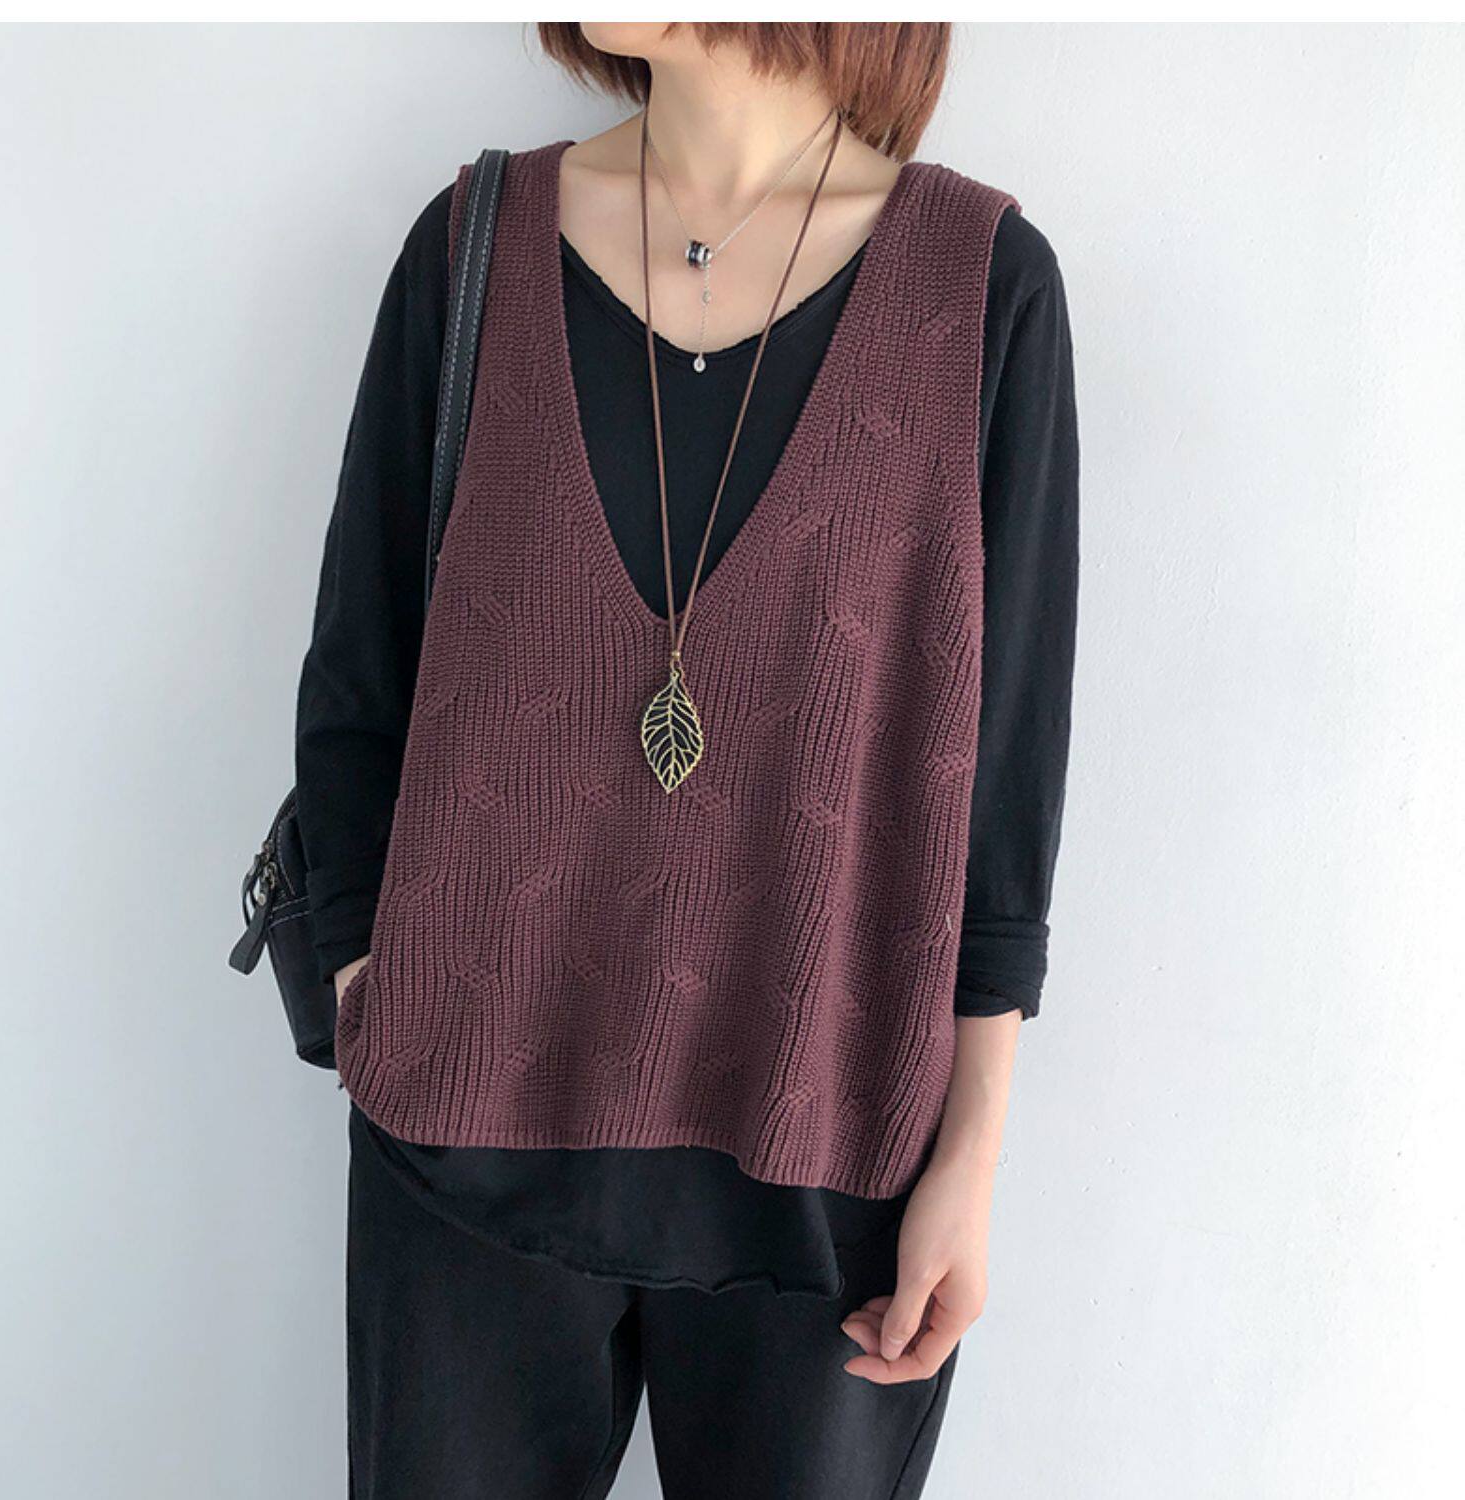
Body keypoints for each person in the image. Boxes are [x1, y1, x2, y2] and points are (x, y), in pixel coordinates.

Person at [295, 21, 1078, 1499]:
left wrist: (970, 1156)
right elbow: (359, 675)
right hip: (466, 1136)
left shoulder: (979, 289)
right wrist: (364, 979)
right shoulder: (474, 248)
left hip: (828, 1156)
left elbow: (1005, 774)